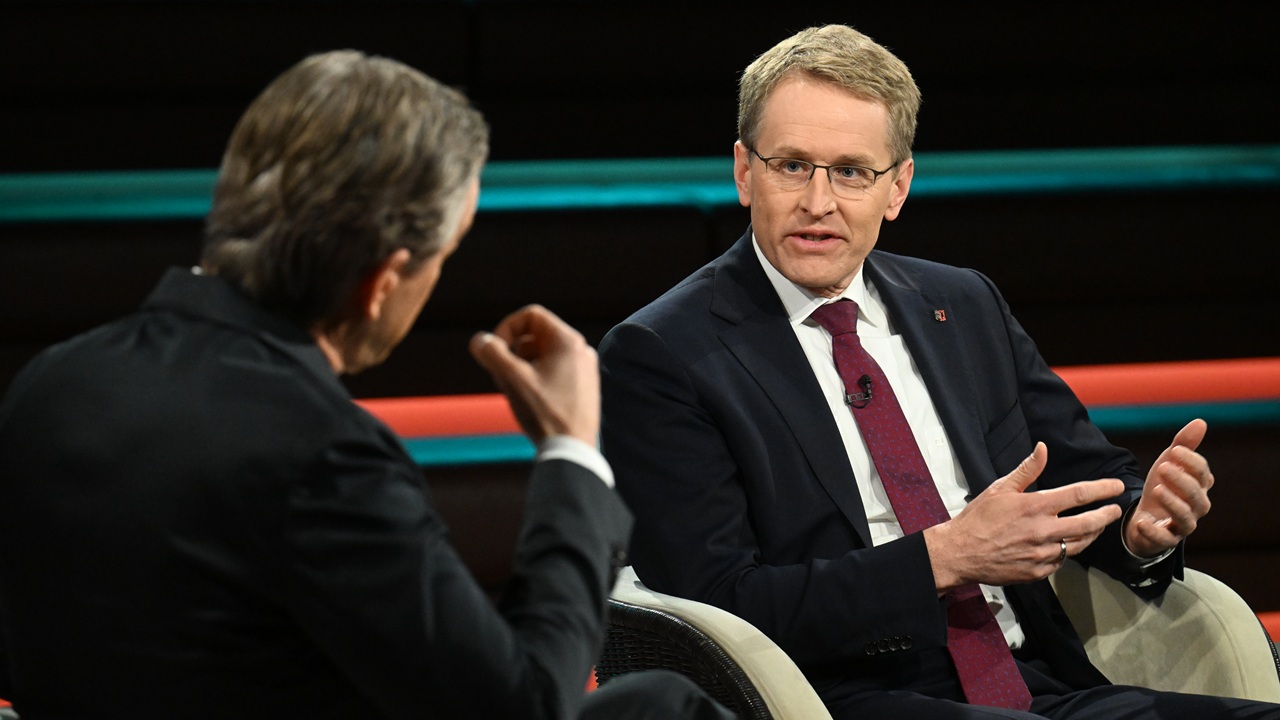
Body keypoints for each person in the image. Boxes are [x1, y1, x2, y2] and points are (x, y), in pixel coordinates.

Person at [0, 50, 732, 720]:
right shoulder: (321, 454)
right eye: (444, 255)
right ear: (382, 282)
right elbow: (527, 704)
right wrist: (572, 452)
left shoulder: (49, 384)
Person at [598, 24, 1280, 720]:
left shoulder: (961, 304)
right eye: (792, 166)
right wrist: (944, 557)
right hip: (842, 697)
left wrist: (1140, 528)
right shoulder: (661, 353)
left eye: (852, 172)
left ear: (897, 187)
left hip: (1040, 682)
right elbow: (717, 606)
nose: (818, 202)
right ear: (745, 171)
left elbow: (1080, 477)